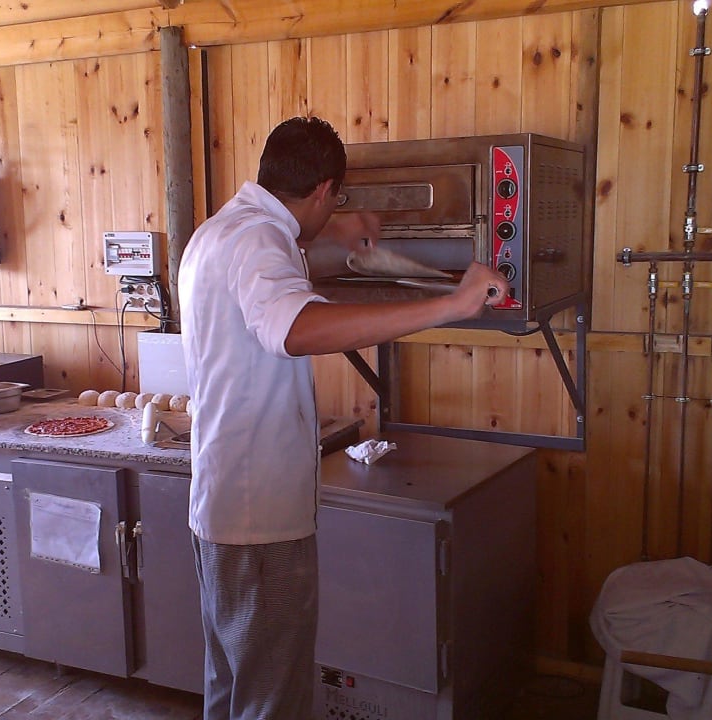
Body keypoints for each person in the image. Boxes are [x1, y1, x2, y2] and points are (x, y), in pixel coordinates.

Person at [177, 116, 509, 720]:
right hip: (262, 524)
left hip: (220, 508)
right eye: (336, 203)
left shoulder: (219, 232)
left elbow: (271, 286)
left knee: (233, 688)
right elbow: (294, 326)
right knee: (271, 701)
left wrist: (341, 238)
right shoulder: (259, 242)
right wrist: (451, 305)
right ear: (326, 189)